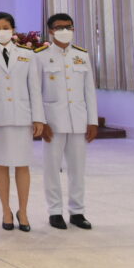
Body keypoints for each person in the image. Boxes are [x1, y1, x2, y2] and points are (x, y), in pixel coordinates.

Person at [0, 12, 45, 232]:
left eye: (5, 27)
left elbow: (34, 89)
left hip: (21, 117)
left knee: (22, 165)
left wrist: (38, 118)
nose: (1, 31)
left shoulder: (27, 55)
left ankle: (23, 211)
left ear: (13, 29)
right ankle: (6, 210)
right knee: (1, 165)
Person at [37, 13, 98, 230]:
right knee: (52, 169)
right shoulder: (41, 56)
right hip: (53, 122)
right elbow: (36, 92)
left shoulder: (82, 55)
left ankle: (77, 211)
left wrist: (92, 121)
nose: (64, 30)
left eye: (68, 27)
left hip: (78, 121)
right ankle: (55, 211)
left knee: (77, 169)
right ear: (50, 31)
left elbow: (89, 91)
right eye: (59, 27)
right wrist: (41, 121)